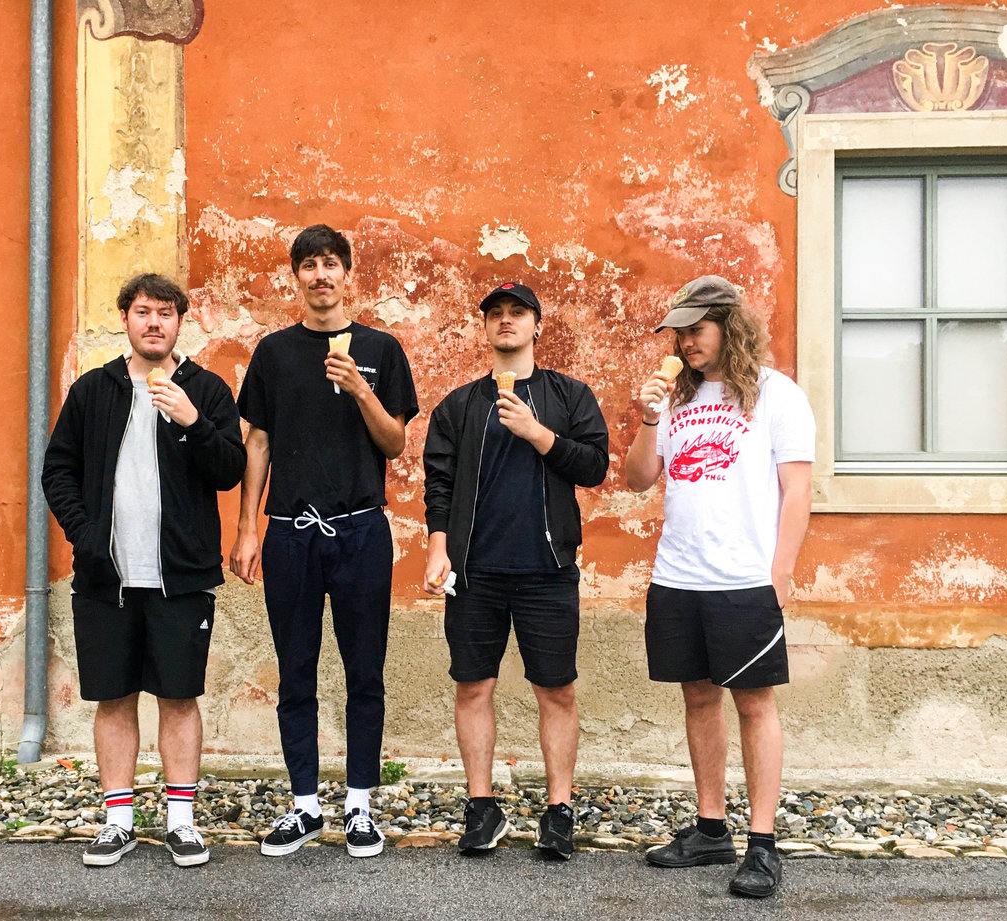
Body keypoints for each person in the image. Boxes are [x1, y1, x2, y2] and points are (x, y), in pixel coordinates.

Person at [41, 273, 246, 868]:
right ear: (125, 320)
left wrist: (192, 421)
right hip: (106, 578)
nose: (154, 323)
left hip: (180, 576)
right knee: (114, 698)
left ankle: (181, 821)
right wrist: (87, 536)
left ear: (181, 322)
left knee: (178, 697)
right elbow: (58, 470)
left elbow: (229, 470)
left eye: (165, 313)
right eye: (142, 312)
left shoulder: (205, 390)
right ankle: (118, 822)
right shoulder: (93, 391)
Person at [230, 224, 418, 859]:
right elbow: (258, 442)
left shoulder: (381, 349)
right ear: (297, 278)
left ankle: (360, 806)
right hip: (291, 531)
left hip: (361, 528)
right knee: (296, 672)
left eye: (330, 264)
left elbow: (395, 443)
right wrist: (248, 529)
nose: (320, 276)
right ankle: (305, 806)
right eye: (309, 265)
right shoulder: (275, 352)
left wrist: (361, 388)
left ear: (347, 274)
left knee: (365, 671)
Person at [626, 275, 814, 898]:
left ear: (729, 326)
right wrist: (648, 417)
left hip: (745, 578)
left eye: (696, 329)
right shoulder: (675, 397)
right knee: (699, 698)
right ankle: (711, 828)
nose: (685, 342)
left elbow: (797, 490)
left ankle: (762, 843)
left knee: (755, 704)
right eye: (678, 332)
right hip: (678, 575)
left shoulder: (775, 394)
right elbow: (637, 478)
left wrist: (780, 572)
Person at [422, 282, 609, 860]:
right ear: (485, 328)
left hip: (547, 571)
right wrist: (437, 548)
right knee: (473, 686)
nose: (506, 321)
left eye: (518, 313)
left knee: (556, 690)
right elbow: (439, 485)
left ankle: (559, 810)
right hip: (474, 572)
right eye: (496, 314)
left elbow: (594, 466)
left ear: (536, 326)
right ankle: (482, 807)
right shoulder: (459, 406)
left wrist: (537, 433)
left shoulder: (569, 396)